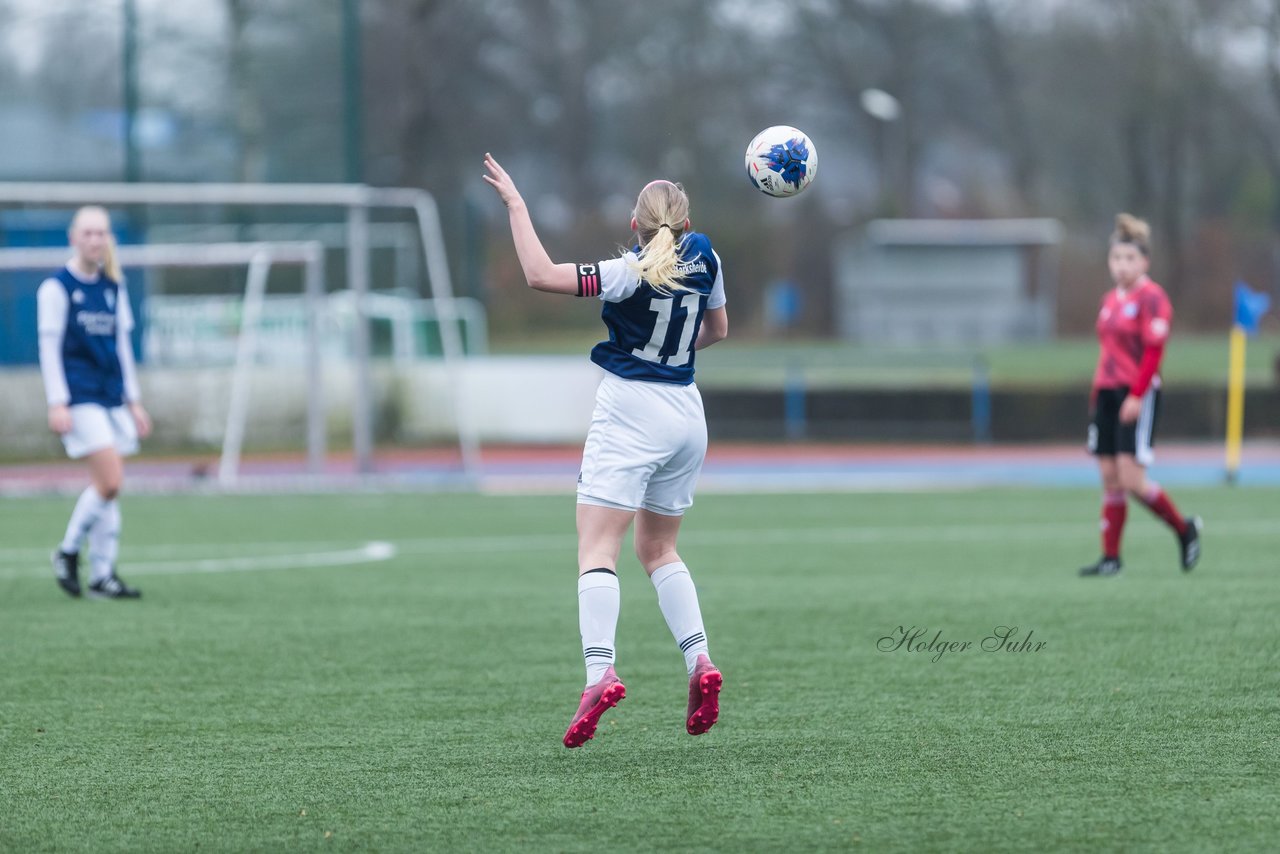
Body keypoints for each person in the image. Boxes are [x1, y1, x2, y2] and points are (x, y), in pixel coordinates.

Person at [482, 153, 728, 747]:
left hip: (631, 410)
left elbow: (540, 274)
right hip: (687, 413)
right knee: (660, 548)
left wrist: (516, 204)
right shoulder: (709, 257)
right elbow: (718, 331)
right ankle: (699, 662)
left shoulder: (628, 270)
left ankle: (600, 674)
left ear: (633, 223)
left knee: (598, 545)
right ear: (685, 222)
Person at [1079, 213, 1201, 577]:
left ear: (1145, 262)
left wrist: (1136, 394)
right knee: (1109, 476)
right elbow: (1108, 352)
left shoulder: (1152, 298)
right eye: (1116, 258)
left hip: (1136, 394)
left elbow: (1153, 351)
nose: (1122, 266)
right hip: (1105, 393)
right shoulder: (1109, 299)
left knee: (1132, 479)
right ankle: (1111, 558)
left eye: (1130, 259)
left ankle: (1184, 529)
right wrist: (1096, 395)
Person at [38, 206, 150, 599]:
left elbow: (121, 348)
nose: (94, 240)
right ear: (73, 237)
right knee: (112, 479)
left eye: (101, 233)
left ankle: (102, 575)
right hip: (80, 396)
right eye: (87, 233)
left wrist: (133, 401)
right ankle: (67, 551)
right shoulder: (56, 288)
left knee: (108, 486)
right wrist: (58, 402)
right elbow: (49, 348)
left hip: (111, 397)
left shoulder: (113, 287)